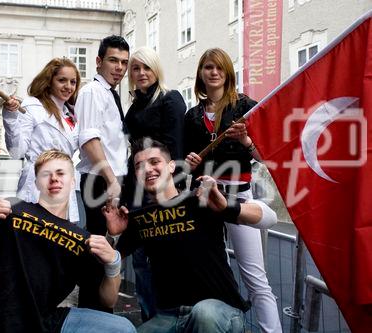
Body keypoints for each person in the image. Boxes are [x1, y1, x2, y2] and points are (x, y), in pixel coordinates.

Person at [0, 150, 136, 333]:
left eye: (61, 173)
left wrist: (114, 260)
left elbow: (108, 300)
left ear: (73, 181)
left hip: (44, 322)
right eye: (46, 174)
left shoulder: (82, 239)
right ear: (37, 182)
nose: (54, 178)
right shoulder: (12, 209)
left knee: (123, 328)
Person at [103, 138, 278, 333]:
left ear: (171, 166)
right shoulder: (142, 218)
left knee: (205, 314)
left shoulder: (201, 200)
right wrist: (113, 234)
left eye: (154, 162)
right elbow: (110, 260)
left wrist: (227, 206)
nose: (148, 170)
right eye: (139, 166)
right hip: (169, 317)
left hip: (219, 313)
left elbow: (270, 218)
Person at [184, 48, 282, 333]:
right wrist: (190, 163)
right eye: (208, 67)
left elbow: (267, 157)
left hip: (239, 197)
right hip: (204, 199)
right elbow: (186, 165)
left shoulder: (245, 107)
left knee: (255, 277)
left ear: (228, 73)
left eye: (220, 68)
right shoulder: (192, 116)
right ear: (201, 73)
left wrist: (248, 141)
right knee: (216, 273)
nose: (214, 73)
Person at [123, 46, 187, 321]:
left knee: (168, 258)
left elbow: (176, 147)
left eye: (146, 67)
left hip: (164, 189)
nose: (141, 73)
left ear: (156, 69)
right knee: (139, 259)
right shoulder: (134, 105)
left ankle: (171, 317)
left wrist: (170, 191)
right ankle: (150, 318)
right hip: (136, 189)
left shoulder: (170, 99)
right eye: (135, 68)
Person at [75, 35, 130, 310]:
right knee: (97, 250)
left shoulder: (109, 92)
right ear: (98, 61)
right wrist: (111, 181)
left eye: (124, 62)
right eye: (113, 60)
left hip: (110, 179)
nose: (119, 67)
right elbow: (89, 139)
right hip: (100, 181)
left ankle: (100, 313)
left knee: (107, 248)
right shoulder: (92, 91)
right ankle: (92, 314)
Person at [2, 57, 82, 223]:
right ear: (49, 81)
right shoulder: (32, 108)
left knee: (60, 238)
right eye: (62, 80)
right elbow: (17, 151)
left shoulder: (72, 114)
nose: (68, 87)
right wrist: (10, 117)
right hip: (38, 182)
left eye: (73, 82)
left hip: (63, 182)